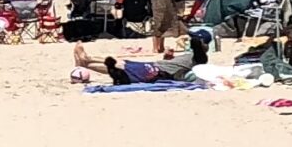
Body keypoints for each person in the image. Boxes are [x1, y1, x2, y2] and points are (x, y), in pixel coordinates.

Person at [70, 33, 207, 85]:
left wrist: (193, 37)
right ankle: (86, 59)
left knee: (121, 68)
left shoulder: (200, 59)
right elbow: (176, 67)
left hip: (157, 72)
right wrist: (168, 57)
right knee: (122, 63)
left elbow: (195, 43)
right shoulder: (191, 57)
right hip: (156, 66)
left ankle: (86, 61)